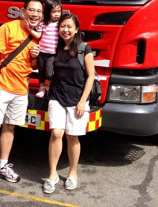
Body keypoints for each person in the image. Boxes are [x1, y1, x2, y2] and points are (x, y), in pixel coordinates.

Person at [0, 0, 42, 190]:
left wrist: (35, 58)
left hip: (21, 89)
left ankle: (3, 166)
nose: (35, 14)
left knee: (10, 128)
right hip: (2, 87)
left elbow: (32, 66)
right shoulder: (8, 28)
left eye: (39, 12)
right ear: (23, 11)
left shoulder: (37, 36)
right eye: (32, 10)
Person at [42, 14, 95, 194]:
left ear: (76, 29)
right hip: (57, 96)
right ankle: (52, 175)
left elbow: (91, 76)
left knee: (72, 136)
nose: (65, 29)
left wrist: (82, 101)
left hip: (77, 100)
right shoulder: (54, 47)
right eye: (62, 26)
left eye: (69, 27)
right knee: (56, 133)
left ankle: (72, 173)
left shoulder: (83, 49)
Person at [33, 0, 62, 98]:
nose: (57, 14)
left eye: (59, 11)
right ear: (48, 12)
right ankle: (41, 88)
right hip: (41, 52)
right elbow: (38, 35)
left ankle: (48, 88)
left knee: (49, 73)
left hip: (52, 53)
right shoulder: (43, 23)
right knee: (41, 71)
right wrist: (29, 28)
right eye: (54, 12)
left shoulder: (60, 24)